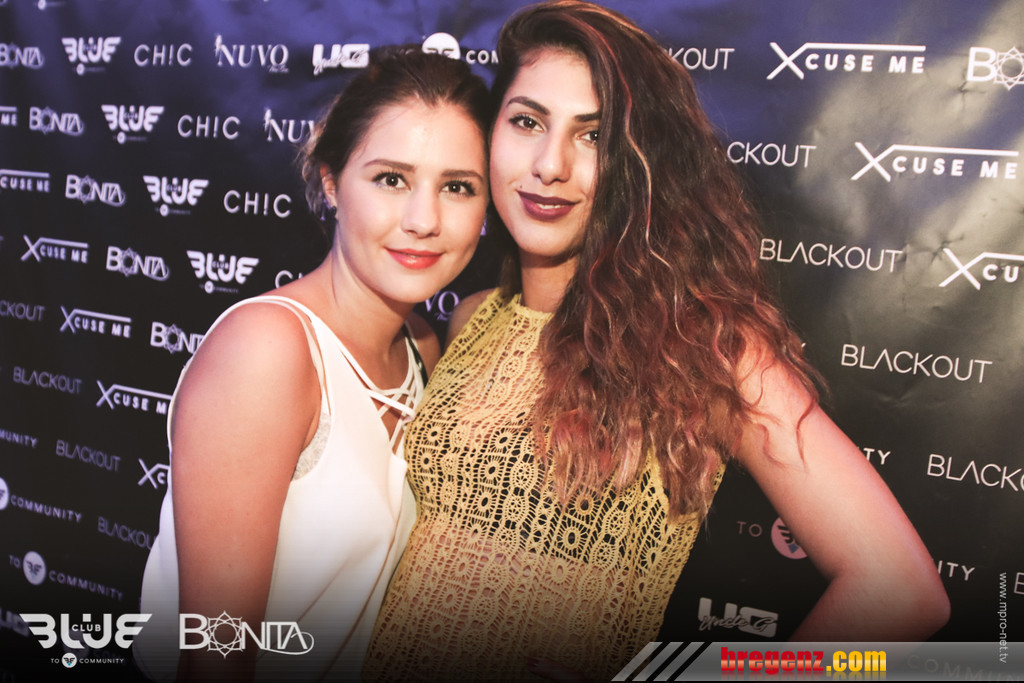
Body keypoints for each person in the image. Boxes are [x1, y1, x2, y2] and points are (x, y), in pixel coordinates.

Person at [364, 2, 950, 680]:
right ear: (490, 132)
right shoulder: (471, 320)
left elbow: (901, 591)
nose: (550, 164)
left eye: (593, 134)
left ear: (639, 160)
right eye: (527, 121)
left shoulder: (702, 346)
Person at [131, 47, 491, 681]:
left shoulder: (423, 347)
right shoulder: (268, 350)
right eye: (391, 179)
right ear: (330, 182)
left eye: (457, 187)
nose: (423, 220)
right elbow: (215, 659)